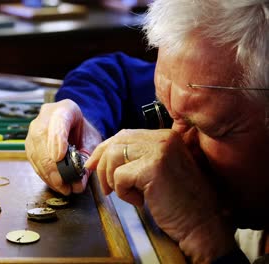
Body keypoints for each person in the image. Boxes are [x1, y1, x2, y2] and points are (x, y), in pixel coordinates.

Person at [25, 0, 269, 263]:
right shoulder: (211, 83)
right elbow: (114, 74)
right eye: (165, 111)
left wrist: (205, 236)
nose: (173, 149)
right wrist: (85, 122)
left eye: (208, 129)